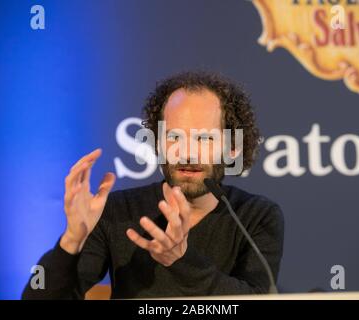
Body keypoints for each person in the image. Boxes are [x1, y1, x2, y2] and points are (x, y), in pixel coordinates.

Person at [22, 71, 284, 299]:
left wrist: (182, 260)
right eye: (174, 137)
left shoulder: (256, 217)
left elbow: (258, 300)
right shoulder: (116, 212)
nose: (187, 153)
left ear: (233, 148)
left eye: (204, 138)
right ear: (158, 144)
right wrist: (71, 240)